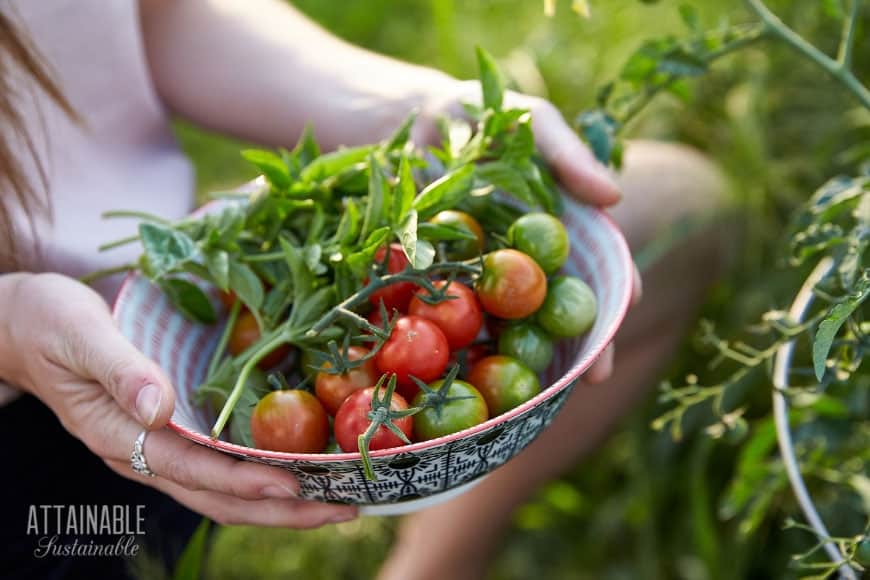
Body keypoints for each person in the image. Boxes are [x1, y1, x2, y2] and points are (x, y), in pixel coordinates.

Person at [0, 1, 725, 578]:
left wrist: (419, 107)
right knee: (106, 547)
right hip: (34, 463)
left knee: (678, 210)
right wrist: (12, 331)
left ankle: (437, 565)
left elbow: (153, 12)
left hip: (163, 340)